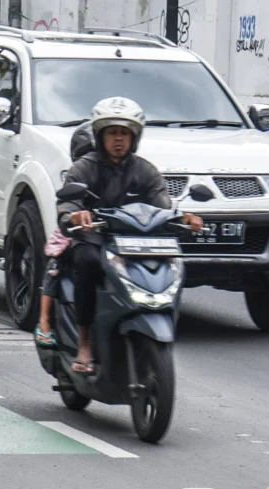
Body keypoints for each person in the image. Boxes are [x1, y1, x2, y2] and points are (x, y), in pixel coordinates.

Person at [56, 98, 203, 374]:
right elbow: (67, 207)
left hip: (136, 243)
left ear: (135, 137)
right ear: (100, 136)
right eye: (112, 132)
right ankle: (85, 343)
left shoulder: (144, 170)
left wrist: (184, 219)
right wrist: (75, 215)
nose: (119, 139)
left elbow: (163, 207)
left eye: (124, 133)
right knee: (86, 262)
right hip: (96, 240)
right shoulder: (83, 168)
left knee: (174, 264)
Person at [35, 122, 96, 348]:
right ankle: (43, 321)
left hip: (108, 237)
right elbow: (67, 208)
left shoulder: (127, 171)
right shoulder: (77, 175)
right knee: (54, 269)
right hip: (76, 234)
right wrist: (75, 218)